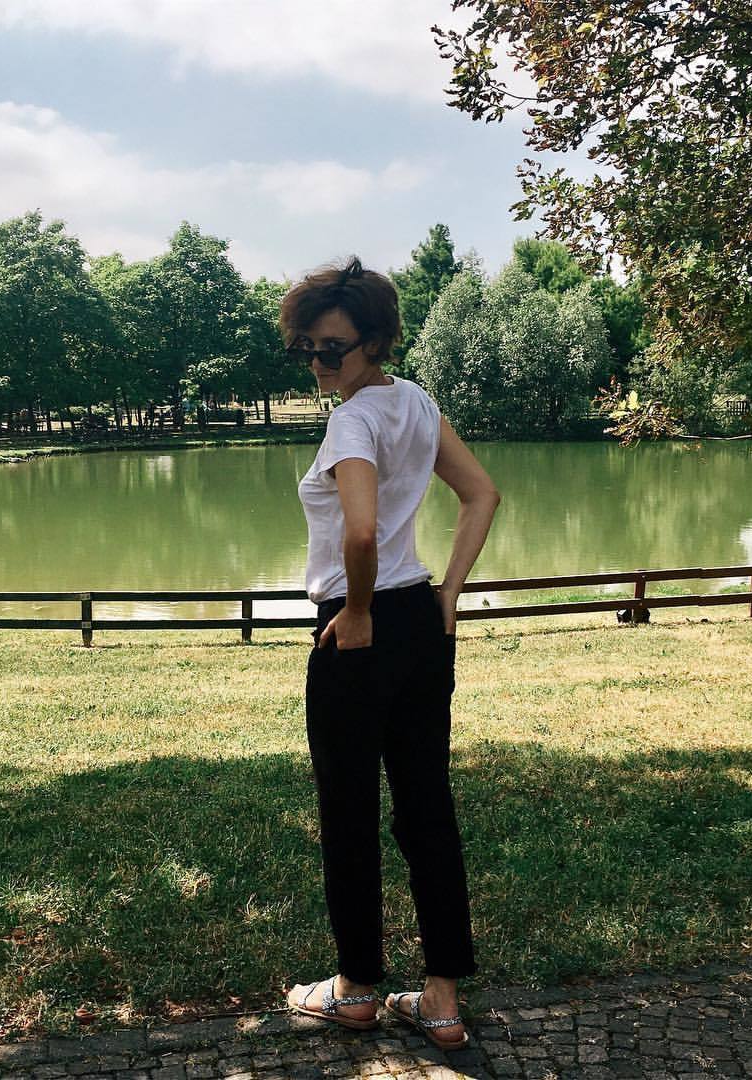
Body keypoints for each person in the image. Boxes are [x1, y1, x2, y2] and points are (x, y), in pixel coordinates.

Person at [282, 257, 501, 1051]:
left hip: (361, 626)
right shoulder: (415, 401)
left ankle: (355, 990)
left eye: (332, 348)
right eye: (307, 348)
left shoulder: (352, 422)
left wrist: (358, 612)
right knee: (426, 808)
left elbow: (363, 530)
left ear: (373, 342)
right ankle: (440, 1001)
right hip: (418, 624)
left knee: (349, 812)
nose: (318, 362)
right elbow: (481, 493)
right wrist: (448, 594)